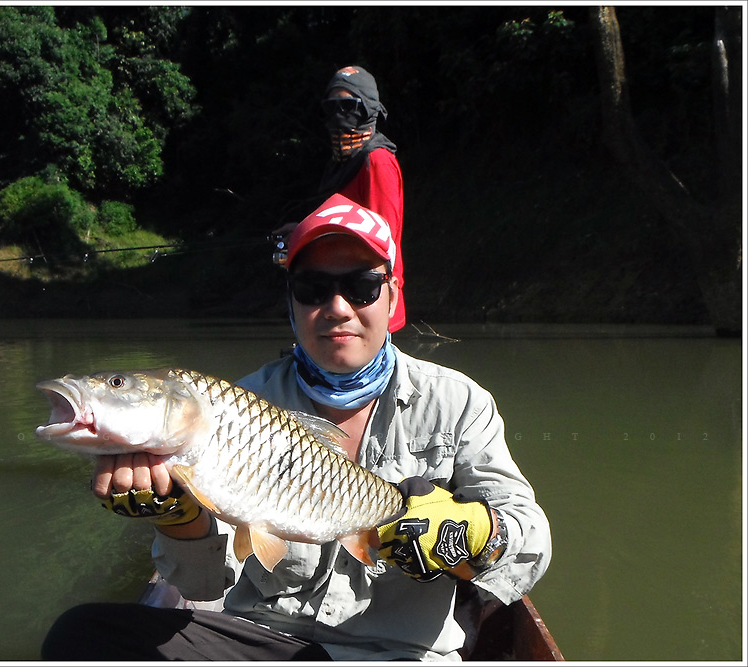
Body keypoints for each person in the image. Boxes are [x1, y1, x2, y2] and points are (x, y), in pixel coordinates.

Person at [41, 194, 551, 661]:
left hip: (399, 654)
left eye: (362, 285)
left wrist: (478, 533)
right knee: (82, 636)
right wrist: (178, 519)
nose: (337, 308)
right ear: (291, 303)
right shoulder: (240, 406)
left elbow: (532, 540)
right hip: (263, 644)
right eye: (312, 289)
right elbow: (200, 586)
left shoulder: (458, 402)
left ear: (393, 297)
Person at [277, 65, 407, 333]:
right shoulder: (341, 165)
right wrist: (303, 232)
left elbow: (383, 241)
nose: (339, 115)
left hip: (369, 305)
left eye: (348, 106)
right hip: (337, 302)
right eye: (331, 107)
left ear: (368, 108)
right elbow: (339, 221)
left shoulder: (377, 161)